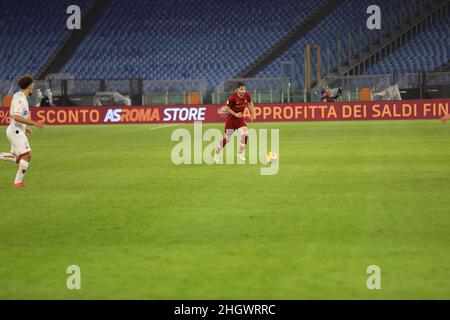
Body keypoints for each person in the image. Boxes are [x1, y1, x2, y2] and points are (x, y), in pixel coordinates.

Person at [1, 76, 45, 187]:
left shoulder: (17, 96)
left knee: (18, 158)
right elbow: (16, 116)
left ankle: (18, 181)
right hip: (15, 131)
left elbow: (12, 114)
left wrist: (25, 127)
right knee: (27, 156)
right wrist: (34, 123)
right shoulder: (20, 98)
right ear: (29, 86)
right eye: (32, 85)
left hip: (15, 129)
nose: (33, 87)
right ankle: (18, 182)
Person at [214, 82, 255, 163]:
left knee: (245, 135)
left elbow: (250, 103)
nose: (243, 91)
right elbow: (226, 108)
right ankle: (216, 153)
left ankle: (240, 153)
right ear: (237, 89)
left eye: (244, 89)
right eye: (241, 89)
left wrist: (252, 114)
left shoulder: (247, 95)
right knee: (226, 140)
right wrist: (235, 114)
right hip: (231, 121)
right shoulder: (232, 98)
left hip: (240, 120)